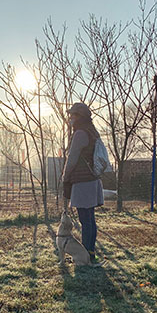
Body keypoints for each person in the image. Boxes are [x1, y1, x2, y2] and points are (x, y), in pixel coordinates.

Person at [62, 102, 104, 264]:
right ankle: (90, 253)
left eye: (74, 115)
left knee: (85, 220)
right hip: (92, 180)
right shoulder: (92, 131)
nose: (71, 118)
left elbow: (72, 158)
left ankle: (86, 256)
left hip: (82, 181)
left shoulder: (80, 133)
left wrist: (65, 177)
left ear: (81, 116)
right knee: (90, 220)